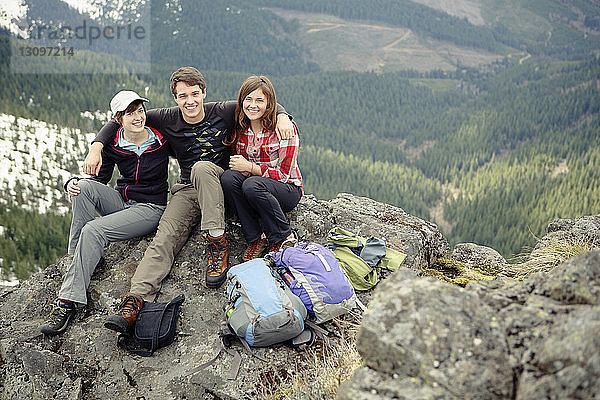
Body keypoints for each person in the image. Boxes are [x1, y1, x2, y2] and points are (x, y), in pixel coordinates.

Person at [83, 67, 294, 333]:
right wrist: (96, 146)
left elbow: (260, 103)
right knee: (164, 238)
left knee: (203, 167)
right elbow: (121, 120)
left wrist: (284, 117)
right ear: (175, 98)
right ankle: (135, 300)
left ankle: (216, 242)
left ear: (204, 93)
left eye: (195, 94)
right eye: (183, 96)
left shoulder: (223, 111)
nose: (190, 101)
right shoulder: (165, 118)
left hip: (225, 184)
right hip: (188, 190)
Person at [41, 90, 170, 336]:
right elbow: (98, 179)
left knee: (93, 229)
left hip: (150, 208)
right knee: (83, 188)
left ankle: (68, 301)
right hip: (122, 201)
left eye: (140, 111)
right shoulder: (114, 144)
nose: (137, 117)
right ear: (118, 118)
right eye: (129, 113)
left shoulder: (161, 138)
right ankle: (79, 257)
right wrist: (72, 181)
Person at [221, 76, 303, 261]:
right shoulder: (240, 130)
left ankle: (282, 236)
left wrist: (250, 167)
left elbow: (283, 175)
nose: (253, 105)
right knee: (228, 178)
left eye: (260, 100)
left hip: (287, 189)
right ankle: (256, 238)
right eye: (248, 99)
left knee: (251, 184)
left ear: (269, 104)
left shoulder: (283, 130)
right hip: (256, 189)